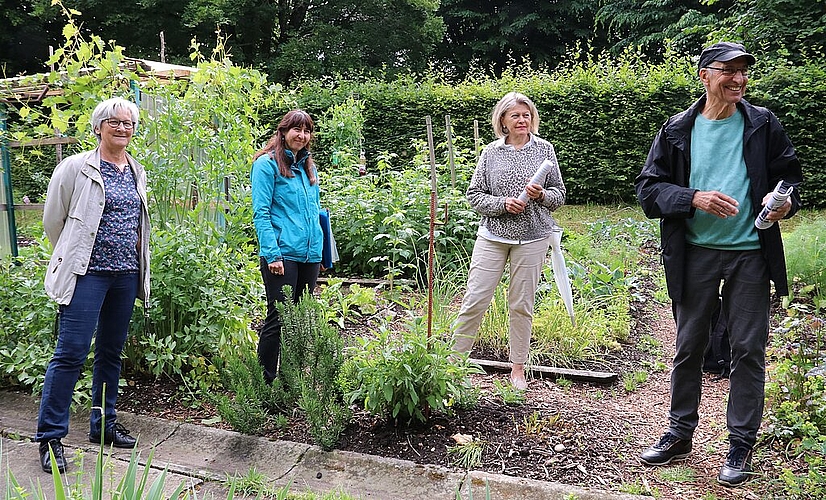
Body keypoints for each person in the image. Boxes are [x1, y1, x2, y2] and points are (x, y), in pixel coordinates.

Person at [635, 42, 803, 487]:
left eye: (744, 71)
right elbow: (649, 191)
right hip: (696, 254)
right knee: (689, 346)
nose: (738, 79)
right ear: (705, 75)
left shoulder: (764, 124)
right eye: (728, 70)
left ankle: (740, 444)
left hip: (751, 253)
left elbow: (790, 178)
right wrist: (693, 197)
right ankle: (679, 432)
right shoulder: (676, 129)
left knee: (747, 350)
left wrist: (783, 203)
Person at [37, 97, 151, 473]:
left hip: (125, 275)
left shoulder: (136, 170)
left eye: (128, 124)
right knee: (70, 353)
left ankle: (103, 426)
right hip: (87, 275)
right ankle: (51, 438)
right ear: (98, 127)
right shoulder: (75, 167)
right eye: (114, 122)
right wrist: (73, 258)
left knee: (110, 353)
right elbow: (55, 221)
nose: (122, 128)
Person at [453, 92, 566, 390]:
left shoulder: (545, 150)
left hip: (533, 237)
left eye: (526, 115)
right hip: (492, 236)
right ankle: (452, 365)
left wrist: (541, 196)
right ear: (502, 120)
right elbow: (474, 195)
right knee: (475, 300)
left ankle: (517, 369)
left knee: (521, 304)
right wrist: (503, 204)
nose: (522, 120)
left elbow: (559, 195)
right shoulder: (491, 152)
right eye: (515, 115)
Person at [251, 110, 324, 384]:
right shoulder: (266, 165)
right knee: (279, 318)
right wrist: (272, 254)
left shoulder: (308, 167)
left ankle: (289, 381)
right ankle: (265, 383)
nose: (302, 136)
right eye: (296, 130)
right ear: (283, 132)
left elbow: (315, 211)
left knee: (299, 320)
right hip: (282, 255)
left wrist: (322, 250)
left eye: (306, 131)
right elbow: (261, 212)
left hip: (309, 255)